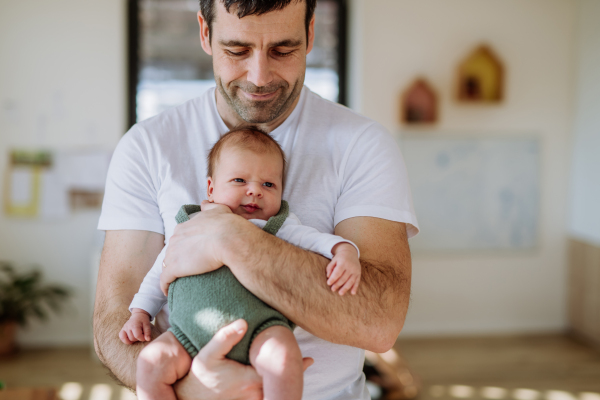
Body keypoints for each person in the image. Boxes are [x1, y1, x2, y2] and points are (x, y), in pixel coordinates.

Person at [94, 0, 419, 399]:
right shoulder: (147, 147)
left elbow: (378, 322)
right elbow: (116, 321)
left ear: (311, 33)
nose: (259, 75)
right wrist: (196, 389)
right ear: (205, 33)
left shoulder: (362, 146)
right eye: (237, 50)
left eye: (283, 50)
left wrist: (231, 239)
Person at [120, 127, 362, 400]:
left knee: (283, 358)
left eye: (268, 184)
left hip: (262, 329)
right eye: (239, 180)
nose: (255, 191)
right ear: (211, 188)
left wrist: (344, 251)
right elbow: (160, 269)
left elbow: (316, 240)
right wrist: (140, 311)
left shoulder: (278, 227)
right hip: (186, 334)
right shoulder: (190, 225)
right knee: (150, 363)